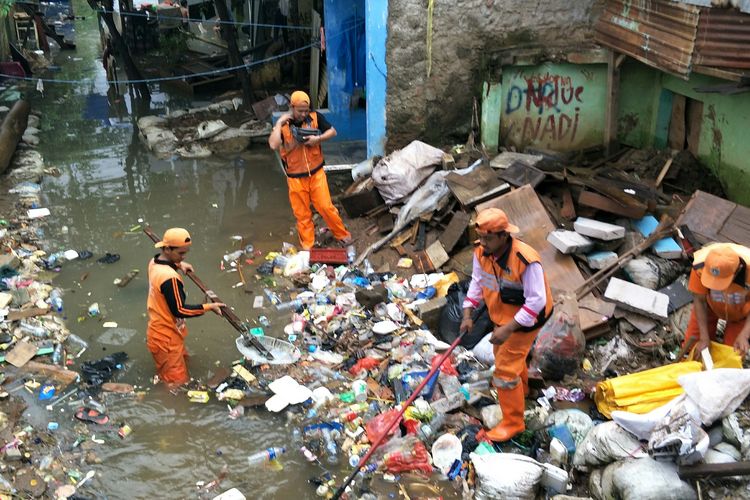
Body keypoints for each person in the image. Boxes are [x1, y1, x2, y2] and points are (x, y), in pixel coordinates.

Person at [459, 208, 553, 442]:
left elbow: (536, 301)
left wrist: (508, 329)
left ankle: (513, 422)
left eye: (489, 238)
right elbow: (477, 283)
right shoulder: (481, 253)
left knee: (504, 370)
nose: (483, 243)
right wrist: (467, 314)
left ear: (504, 236)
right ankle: (523, 391)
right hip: (501, 317)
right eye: (481, 237)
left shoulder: (525, 260)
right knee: (508, 356)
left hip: (526, 321)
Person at [268, 90, 352, 250]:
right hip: (295, 178)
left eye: (306, 110)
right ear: (292, 107)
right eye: (300, 111)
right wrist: (279, 123)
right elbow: (273, 144)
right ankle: (308, 246)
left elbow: (332, 131)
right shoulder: (284, 125)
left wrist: (317, 139)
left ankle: (342, 235)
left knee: (326, 207)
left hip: (316, 173)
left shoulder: (314, 117)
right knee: (302, 214)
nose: (303, 114)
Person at [147, 228, 224, 386]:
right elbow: (180, 310)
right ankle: (174, 406)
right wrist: (208, 306)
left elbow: (168, 265)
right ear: (167, 249)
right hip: (166, 338)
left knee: (183, 362)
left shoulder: (154, 262)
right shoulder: (170, 279)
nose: (183, 257)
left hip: (166, 331)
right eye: (181, 254)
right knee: (176, 383)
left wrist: (179, 263)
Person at [682, 243, 750, 357]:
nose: (715, 286)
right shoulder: (700, 266)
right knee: (693, 349)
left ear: (737, 271)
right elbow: (699, 300)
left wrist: (745, 334)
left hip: (742, 314)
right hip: (709, 307)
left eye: (720, 282)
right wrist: (704, 337)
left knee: (732, 355)